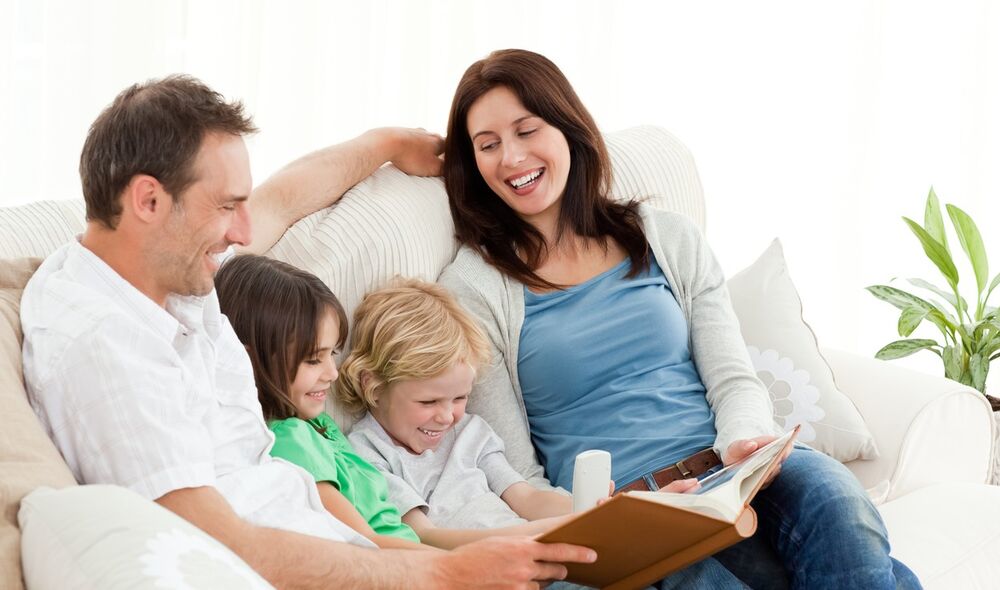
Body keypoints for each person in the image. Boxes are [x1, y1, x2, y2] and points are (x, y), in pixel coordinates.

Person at [20, 74, 596, 589]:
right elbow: (219, 544)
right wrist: (443, 574)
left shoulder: (161, 272)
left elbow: (283, 199)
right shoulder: (107, 347)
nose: (242, 231)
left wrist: (386, 145)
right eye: (227, 207)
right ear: (148, 199)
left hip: (343, 548)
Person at [437, 49, 922, 589]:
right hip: (631, 509)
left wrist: (742, 443)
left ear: (568, 127)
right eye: (488, 145)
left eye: (527, 131)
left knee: (836, 499)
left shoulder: (666, 236)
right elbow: (513, 468)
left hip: (730, 472)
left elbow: (733, 379)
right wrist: (598, 516)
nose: (511, 157)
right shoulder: (472, 289)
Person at [340, 279, 626, 549]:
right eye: (428, 402)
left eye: (459, 398)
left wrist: (585, 510)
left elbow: (527, 499)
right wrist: (535, 535)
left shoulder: (469, 431)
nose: (447, 417)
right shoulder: (366, 454)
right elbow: (425, 538)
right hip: (486, 562)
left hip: (531, 549)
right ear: (373, 386)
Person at [215, 255, 429, 551]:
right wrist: (460, 566)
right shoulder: (290, 439)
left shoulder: (318, 424)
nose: (333, 373)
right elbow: (364, 543)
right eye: (313, 359)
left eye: (333, 354)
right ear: (249, 360)